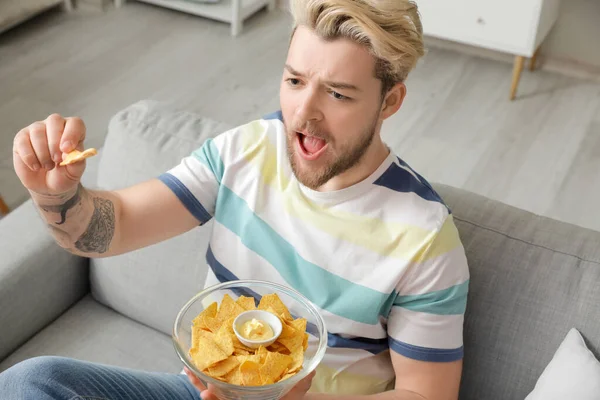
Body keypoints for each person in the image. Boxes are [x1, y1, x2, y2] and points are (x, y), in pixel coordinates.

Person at [1, 0, 470, 399]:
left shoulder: (425, 238)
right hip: (204, 389)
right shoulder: (247, 150)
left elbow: (425, 394)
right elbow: (114, 226)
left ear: (389, 102)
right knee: (34, 382)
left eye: (338, 94)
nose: (304, 114)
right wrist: (55, 194)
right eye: (294, 82)